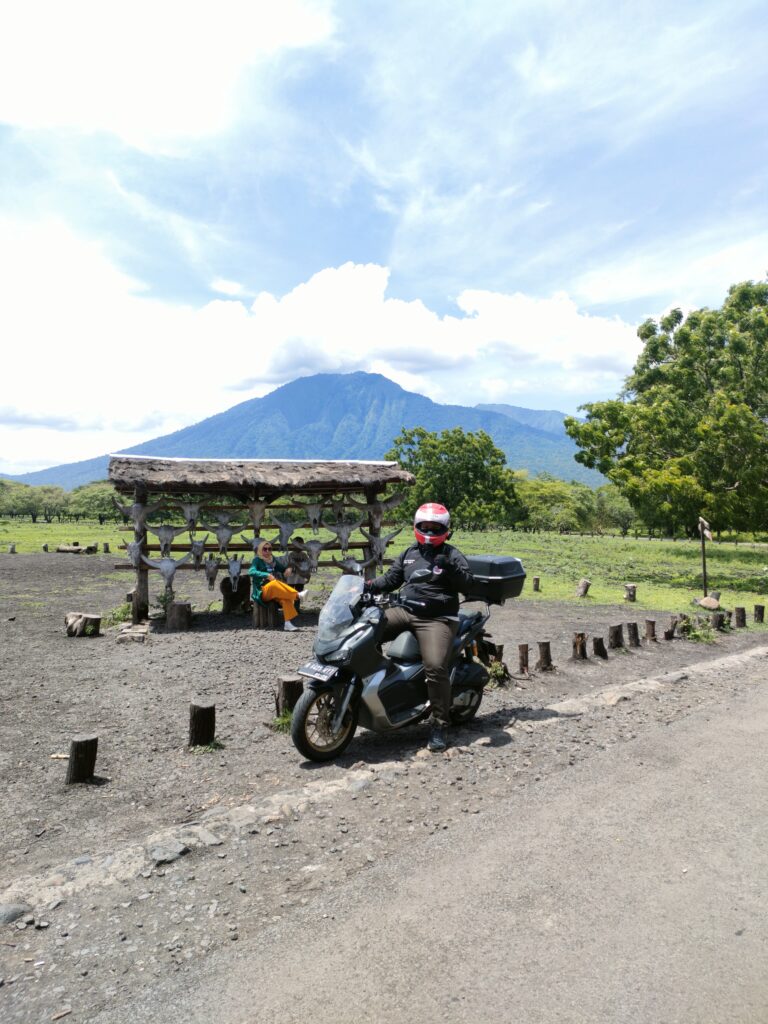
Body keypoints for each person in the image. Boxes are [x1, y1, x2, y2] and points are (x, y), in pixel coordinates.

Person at [364, 502, 475, 752]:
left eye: (435, 527)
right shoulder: (408, 553)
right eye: (424, 526)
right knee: (366, 631)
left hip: (437, 619)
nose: (429, 530)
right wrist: (368, 585)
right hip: (405, 611)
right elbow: (391, 579)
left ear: (445, 529)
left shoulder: (452, 554)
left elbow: (468, 584)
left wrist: (451, 568)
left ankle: (438, 724)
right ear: (416, 526)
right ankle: (379, 686)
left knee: (435, 666)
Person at [248, 538, 301, 631]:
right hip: (262, 590)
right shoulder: (257, 560)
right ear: (260, 550)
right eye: (265, 549)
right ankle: (297, 595)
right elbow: (251, 571)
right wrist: (266, 575)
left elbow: (283, 569)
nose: (267, 551)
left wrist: (288, 569)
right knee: (275, 583)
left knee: (286, 599)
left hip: (274, 590)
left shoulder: (273, 560)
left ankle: (288, 623)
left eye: (269, 549)